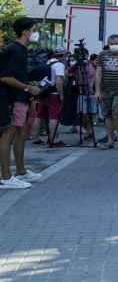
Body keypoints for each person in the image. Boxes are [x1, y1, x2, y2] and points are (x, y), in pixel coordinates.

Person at [0, 18, 43, 189]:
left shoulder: (20, 50)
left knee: (20, 134)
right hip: (12, 98)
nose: (36, 33)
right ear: (25, 32)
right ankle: (6, 177)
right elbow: (5, 77)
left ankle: (20, 171)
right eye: (34, 29)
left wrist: (29, 87)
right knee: (8, 135)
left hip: (19, 97)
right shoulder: (16, 50)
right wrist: (28, 88)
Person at [95, 34, 118, 149]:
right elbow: (98, 73)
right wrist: (97, 91)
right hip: (105, 90)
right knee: (107, 115)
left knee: (116, 112)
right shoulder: (102, 55)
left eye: (116, 43)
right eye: (112, 44)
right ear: (108, 44)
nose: (114, 46)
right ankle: (110, 140)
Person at [37, 48, 67, 148]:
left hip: (43, 92)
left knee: (40, 116)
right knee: (53, 117)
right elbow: (59, 81)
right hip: (53, 94)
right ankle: (53, 139)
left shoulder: (47, 62)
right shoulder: (60, 65)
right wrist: (61, 94)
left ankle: (37, 138)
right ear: (62, 55)